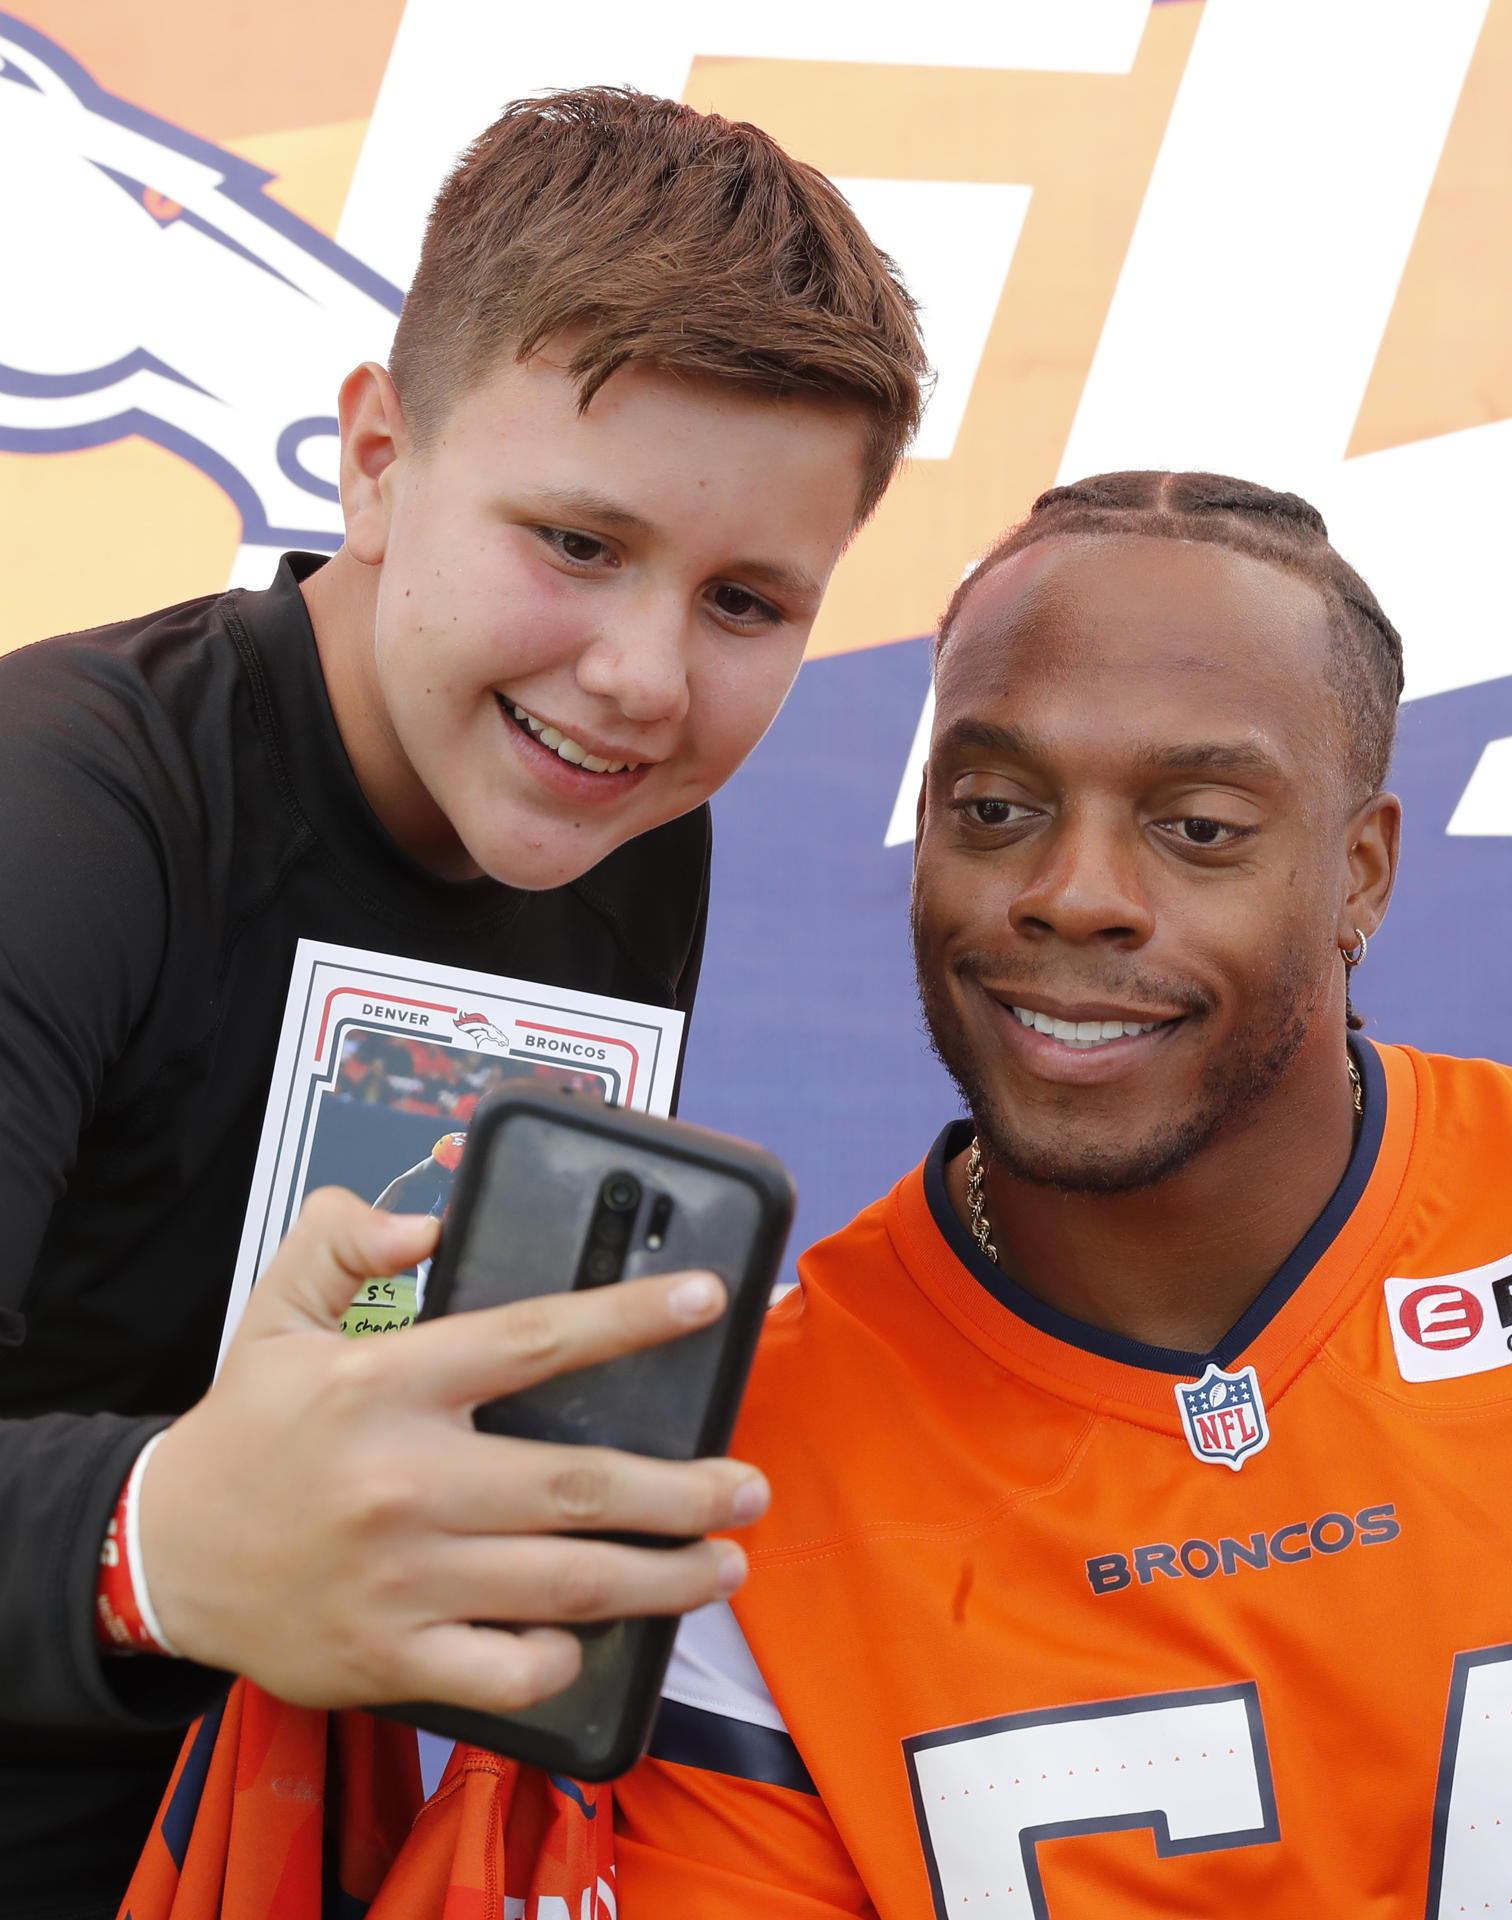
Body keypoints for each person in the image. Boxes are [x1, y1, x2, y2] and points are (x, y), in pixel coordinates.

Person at [0, 87, 925, 1915]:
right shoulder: (64, 810)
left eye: (748, 602)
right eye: (576, 545)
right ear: (373, 455)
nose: (644, 679)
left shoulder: (614, 819)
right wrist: (155, 1545)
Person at [613, 471, 1512, 1910]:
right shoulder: (743, 1471)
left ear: (1361, 872)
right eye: (994, 805)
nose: (1073, 891)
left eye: (1199, 825)